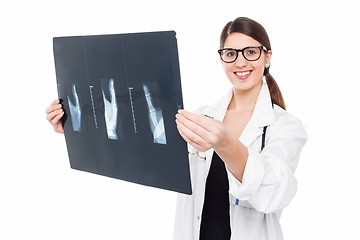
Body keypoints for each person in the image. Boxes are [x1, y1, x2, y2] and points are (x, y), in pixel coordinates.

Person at [46, 17, 307, 240]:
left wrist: (226, 143)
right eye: (230, 53)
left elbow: (276, 194)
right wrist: (73, 128)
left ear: (267, 56)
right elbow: (145, 156)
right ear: (222, 58)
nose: (240, 62)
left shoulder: (285, 127)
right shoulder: (200, 117)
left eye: (250, 52)